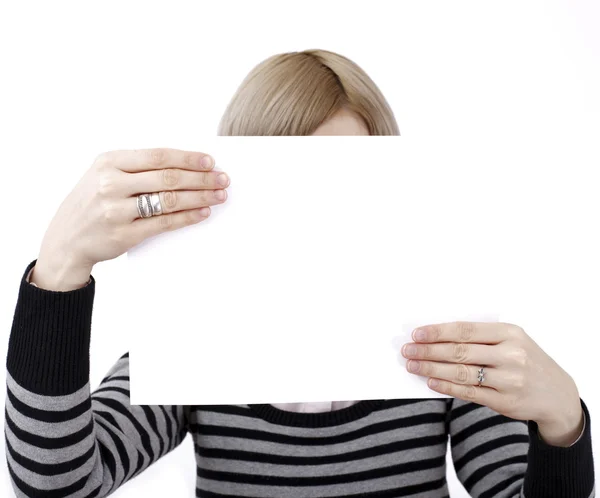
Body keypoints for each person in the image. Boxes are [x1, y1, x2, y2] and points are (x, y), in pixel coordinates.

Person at [4, 49, 594, 498]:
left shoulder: (440, 348)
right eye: (286, 182)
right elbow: (56, 481)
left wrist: (563, 421)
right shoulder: (194, 343)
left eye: (347, 181)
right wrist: (59, 269)